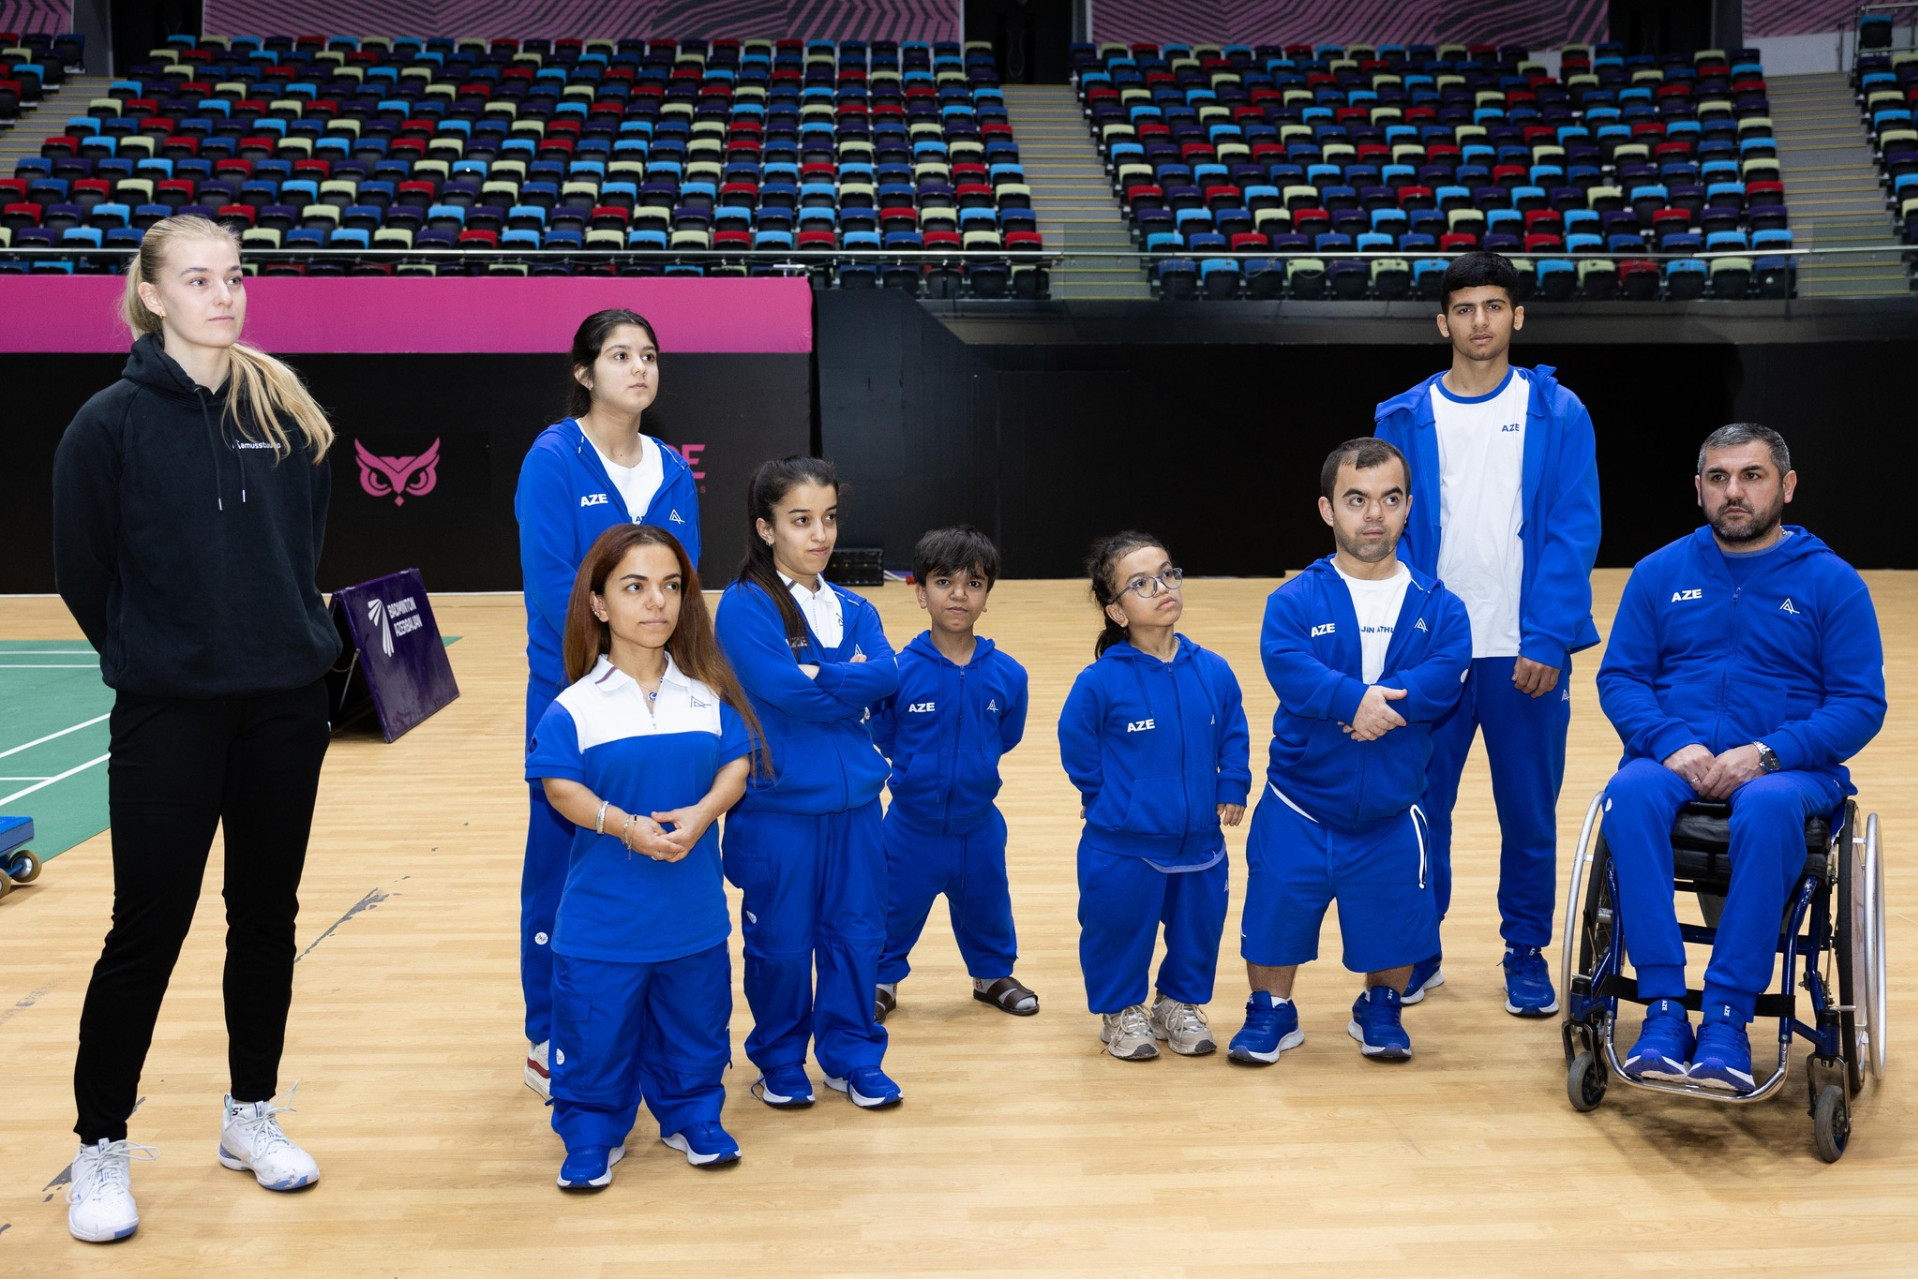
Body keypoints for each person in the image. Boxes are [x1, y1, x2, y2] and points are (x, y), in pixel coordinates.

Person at [51, 215, 338, 1243]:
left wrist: (283, 638)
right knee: (146, 930)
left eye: (235, 276)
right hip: (170, 711)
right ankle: (98, 1148)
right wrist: (156, 655)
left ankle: (248, 1116)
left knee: (266, 917)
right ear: (155, 295)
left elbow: (302, 543)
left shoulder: (285, 407)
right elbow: (85, 573)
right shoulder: (108, 425)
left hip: (282, 706)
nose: (225, 294)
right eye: (200, 279)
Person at [1596, 425, 1884, 1093]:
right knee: (1629, 793)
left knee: (1770, 802)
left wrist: (1768, 752)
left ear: (1784, 486)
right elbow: (1621, 679)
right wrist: (1671, 740)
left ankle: (1726, 1016)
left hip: (1788, 768)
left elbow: (1860, 703)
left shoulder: (1831, 584)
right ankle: (1665, 1009)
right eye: (1719, 477)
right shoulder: (1659, 573)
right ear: (1698, 488)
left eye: (1751, 476)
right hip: (1675, 756)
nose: (1734, 491)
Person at [1372, 250, 1601, 1017]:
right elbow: (1386, 535)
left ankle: (1526, 950)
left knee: (1529, 814)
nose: (1480, 322)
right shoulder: (1401, 416)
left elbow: (1572, 530)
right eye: (1465, 309)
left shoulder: (1558, 411)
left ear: (1518, 317)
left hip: (1521, 651)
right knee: (1417, 807)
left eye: (1494, 307)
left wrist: (1548, 636)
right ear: (1444, 321)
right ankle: (1418, 945)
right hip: (1433, 655)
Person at [527, 524, 759, 1188]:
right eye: (634, 587)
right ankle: (592, 1133)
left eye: (670, 586)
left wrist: (703, 812)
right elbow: (559, 785)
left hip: (691, 919)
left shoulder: (705, 693)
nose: (656, 601)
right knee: (595, 1039)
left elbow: (735, 767)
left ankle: (693, 1116)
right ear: (599, 602)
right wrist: (626, 827)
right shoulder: (575, 705)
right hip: (603, 924)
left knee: (696, 1029)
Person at [1228, 440, 1472, 1066]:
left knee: (1394, 917)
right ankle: (1272, 1012)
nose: (1373, 515)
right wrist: (1353, 703)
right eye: (1356, 500)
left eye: (1389, 500)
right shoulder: (1293, 600)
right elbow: (1289, 668)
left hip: (1392, 808)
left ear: (1408, 507)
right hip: (1300, 803)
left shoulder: (1441, 606)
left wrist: (1375, 708)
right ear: (1326, 509)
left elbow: (1446, 676)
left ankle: (1381, 1008)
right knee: (1277, 909)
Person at [514, 310, 702, 1099]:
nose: (638, 367)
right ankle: (548, 1028)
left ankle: (645, 1015)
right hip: (577, 691)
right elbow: (556, 587)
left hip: (662, 693)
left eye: (649, 355)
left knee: (656, 844)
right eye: (620, 355)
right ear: (586, 373)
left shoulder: (673, 469)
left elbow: (680, 587)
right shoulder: (554, 458)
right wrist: (606, 678)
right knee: (562, 857)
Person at [714, 457, 904, 1110]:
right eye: (800, 520)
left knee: (858, 936)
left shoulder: (855, 606)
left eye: (827, 518)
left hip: (856, 810)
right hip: (779, 812)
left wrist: (822, 677)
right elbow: (781, 690)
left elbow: (888, 674)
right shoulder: (744, 608)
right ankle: (779, 1057)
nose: (819, 534)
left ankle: (852, 1054)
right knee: (782, 947)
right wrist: (841, 678)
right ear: (766, 528)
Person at [1057, 533, 1251, 1061]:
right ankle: (1120, 1011)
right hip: (1124, 846)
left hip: (1200, 843)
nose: (1161, 588)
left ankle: (1178, 1004)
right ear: (1116, 611)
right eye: (1140, 584)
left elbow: (1233, 729)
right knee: (1118, 929)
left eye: (1167, 574)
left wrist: (1232, 782)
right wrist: (1104, 796)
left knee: (1198, 930)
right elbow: (1076, 742)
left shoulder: (1212, 669)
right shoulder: (1099, 682)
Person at [869, 526, 1035, 1023]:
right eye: (944, 581)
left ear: (987, 595)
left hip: (978, 824)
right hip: (910, 827)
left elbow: (1006, 734)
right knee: (892, 907)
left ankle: (991, 975)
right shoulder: (896, 670)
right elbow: (885, 731)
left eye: (974, 582)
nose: (959, 593)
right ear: (920, 592)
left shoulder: (1009, 674)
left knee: (987, 902)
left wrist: (972, 770)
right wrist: (921, 772)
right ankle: (881, 979)